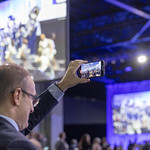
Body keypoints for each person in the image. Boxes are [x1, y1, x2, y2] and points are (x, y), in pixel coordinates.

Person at [0, 59, 90, 149]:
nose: (32, 108)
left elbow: (33, 116)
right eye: (31, 98)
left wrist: (63, 85)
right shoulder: (17, 144)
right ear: (17, 96)